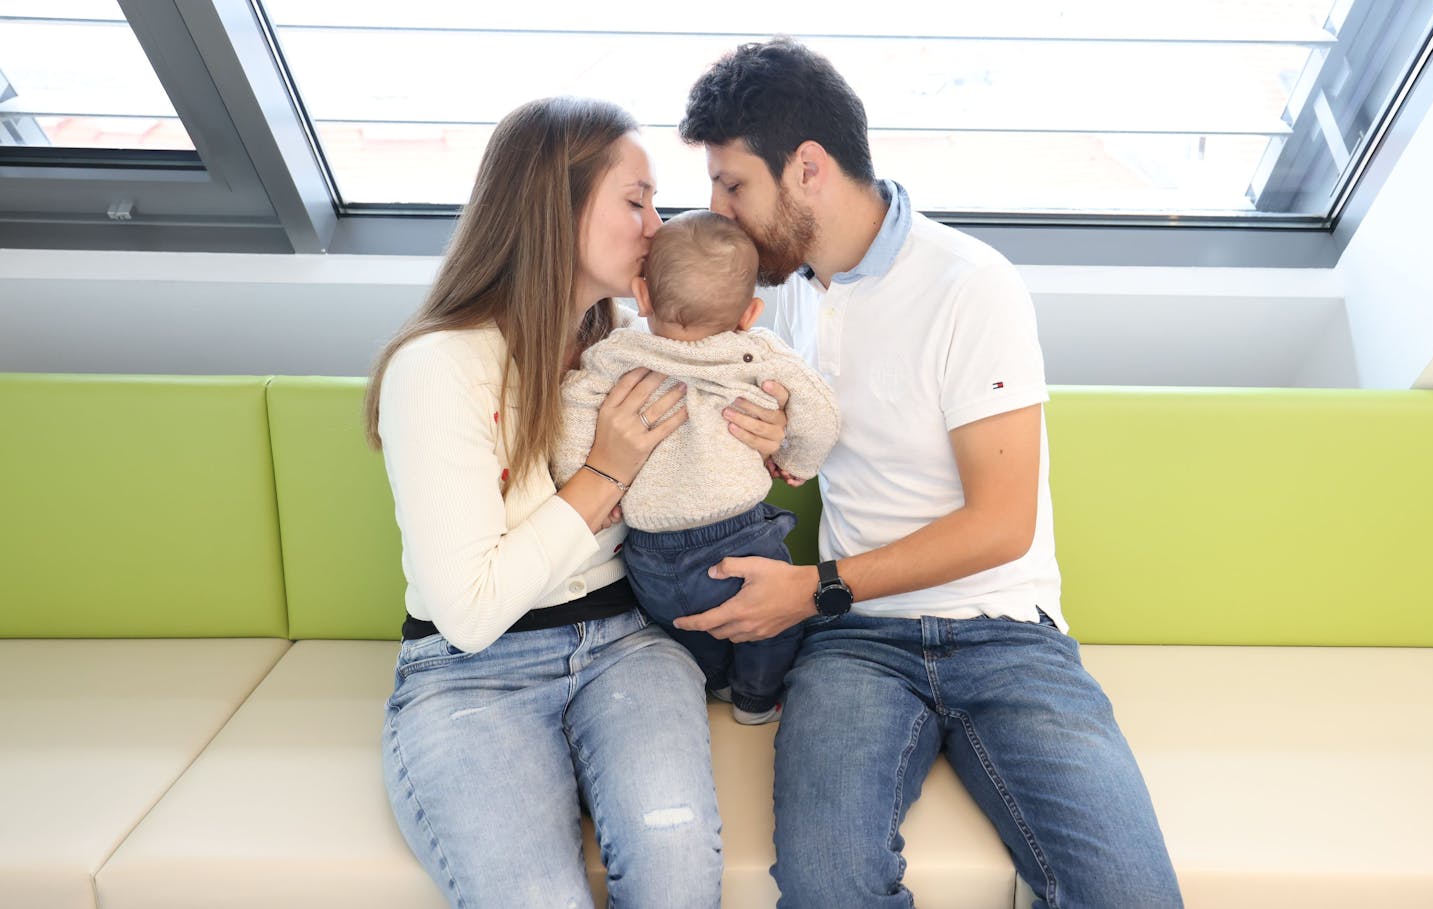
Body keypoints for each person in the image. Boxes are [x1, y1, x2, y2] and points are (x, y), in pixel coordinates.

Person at [675, 39, 1185, 909]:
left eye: (733, 185)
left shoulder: (971, 287)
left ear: (807, 169)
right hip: (857, 647)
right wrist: (767, 446)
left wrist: (813, 586)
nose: (718, 211)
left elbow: (1000, 525)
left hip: (1006, 635)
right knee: (828, 889)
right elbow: (813, 461)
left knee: (1132, 895)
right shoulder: (786, 296)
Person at [362, 97, 727, 909]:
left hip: (629, 644)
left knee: (677, 881)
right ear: (552, 210)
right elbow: (470, 611)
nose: (657, 226)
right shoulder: (439, 367)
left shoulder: (630, 345)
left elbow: (740, 396)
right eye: (635, 201)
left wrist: (771, 430)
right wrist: (604, 471)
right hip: (469, 674)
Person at [551, 209, 839, 725]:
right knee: (775, 623)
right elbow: (821, 412)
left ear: (641, 297)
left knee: (685, 624)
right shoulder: (757, 354)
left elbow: (572, 411)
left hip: (649, 554)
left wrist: (592, 490)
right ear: (751, 312)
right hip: (739, 538)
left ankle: (714, 681)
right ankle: (754, 699)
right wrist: (797, 460)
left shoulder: (614, 355)